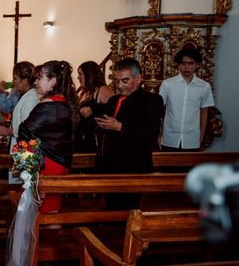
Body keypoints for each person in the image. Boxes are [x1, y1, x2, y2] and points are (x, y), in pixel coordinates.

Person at [95, 58, 164, 209]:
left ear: (138, 78)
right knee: (111, 209)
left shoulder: (152, 100)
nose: (120, 86)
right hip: (109, 166)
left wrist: (120, 127)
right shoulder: (113, 100)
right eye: (117, 81)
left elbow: (151, 134)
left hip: (133, 165)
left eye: (125, 81)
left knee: (129, 211)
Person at [18, 61, 76, 213]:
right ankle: (51, 236)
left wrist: (27, 166)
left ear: (53, 81)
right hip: (60, 162)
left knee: (42, 211)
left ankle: (43, 237)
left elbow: (25, 131)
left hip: (47, 164)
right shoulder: (64, 102)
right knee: (53, 209)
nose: (35, 82)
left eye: (40, 78)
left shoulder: (48, 105)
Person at [159, 47, 214, 151]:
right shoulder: (167, 84)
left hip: (192, 139)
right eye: (183, 63)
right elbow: (159, 111)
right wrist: (158, 135)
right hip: (169, 138)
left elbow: (204, 112)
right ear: (179, 65)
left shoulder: (204, 86)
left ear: (197, 65)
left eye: (190, 63)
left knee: (189, 167)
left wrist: (201, 136)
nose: (186, 67)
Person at [74, 61, 114, 152]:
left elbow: (112, 110)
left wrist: (93, 109)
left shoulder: (103, 90)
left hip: (96, 140)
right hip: (84, 137)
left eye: (81, 74)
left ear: (90, 75)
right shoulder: (85, 92)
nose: (78, 77)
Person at [0, 61, 39, 143]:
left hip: (25, 149)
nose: (13, 82)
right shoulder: (20, 93)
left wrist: (8, 132)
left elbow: (27, 129)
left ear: (25, 81)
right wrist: (2, 93)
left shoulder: (31, 98)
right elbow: (6, 108)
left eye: (15, 78)